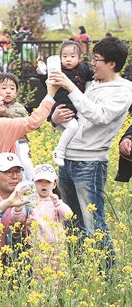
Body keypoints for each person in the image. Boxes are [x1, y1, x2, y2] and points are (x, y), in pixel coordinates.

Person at [48, 36, 132, 272]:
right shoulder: (93, 83)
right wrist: (54, 121)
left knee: (93, 222)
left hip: (90, 163)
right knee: (70, 221)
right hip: (68, 160)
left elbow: (98, 116)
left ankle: (105, 274)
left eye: (97, 59)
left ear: (112, 64)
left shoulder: (123, 91)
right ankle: (79, 270)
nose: (92, 63)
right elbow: (76, 116)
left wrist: (70, 86)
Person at [10, 164, 72, 283]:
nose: (43, 184)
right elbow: (17, 219)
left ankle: (58, 300)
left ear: (54, 184)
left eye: (47, 182)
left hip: (58, 248)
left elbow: (68, 215)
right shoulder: (29, 202)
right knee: (40, 280)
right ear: (33, 182)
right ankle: (42, 301)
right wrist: (18, 208)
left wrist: (57, 203)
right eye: (39, 181)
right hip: (38, 249)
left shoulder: (56, 202)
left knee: (60, 278)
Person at [37, 41, 94, 166]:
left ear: (79, 58)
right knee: (73, 127)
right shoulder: (58, 70)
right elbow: (47, 81)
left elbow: (91, 75)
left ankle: (67, 151)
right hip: (61, 106)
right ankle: (59, 151)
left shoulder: (83, 68)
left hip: (75, 108)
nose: (68, 59)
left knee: (74, 129)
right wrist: (42, 73)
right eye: (64, 56)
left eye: (72, 56)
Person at [0, 73, 35, 180]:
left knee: (25, 163)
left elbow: (29, 123)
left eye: (12, 88)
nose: (8, 91)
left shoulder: (20, 108)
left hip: (20, 142)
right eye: (4, 88)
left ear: (16, 93)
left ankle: (30, 182)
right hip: (2, 143)